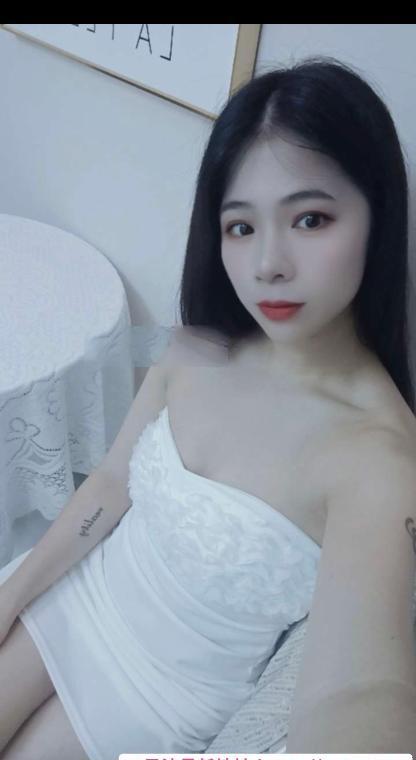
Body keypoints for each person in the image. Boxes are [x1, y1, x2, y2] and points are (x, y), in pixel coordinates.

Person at [1, 54, 416, 757]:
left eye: (310, 219)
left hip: (159, 696)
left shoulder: (379, 458)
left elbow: (360, 693)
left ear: (378, 215)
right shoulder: (198, 347)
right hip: (75, 594)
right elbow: (109, 484)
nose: (268, 264)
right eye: (241, 227)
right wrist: (11, 599)